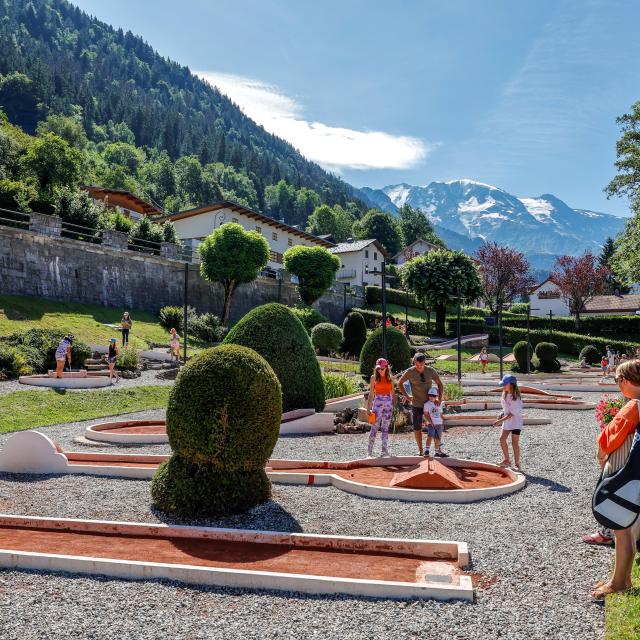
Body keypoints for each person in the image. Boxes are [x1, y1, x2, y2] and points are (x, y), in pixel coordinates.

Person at [591, 359, 640, 599]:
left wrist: (600, 455)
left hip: (623, 472)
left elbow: (607, 440)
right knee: (628, 529)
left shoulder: (633, 407)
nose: (617, 385)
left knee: (622, 530)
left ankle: (620, 582)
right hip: (635, 475)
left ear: (627, 380)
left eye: (618, 380)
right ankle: (621, 577)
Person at [398, 353, 444, 455]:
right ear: (414, 362)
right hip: (417, 404)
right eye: (417, 365)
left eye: (421, 365)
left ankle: (438, 451)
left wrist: (439, 399)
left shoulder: (430, 371)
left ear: (425, 362)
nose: (419, 367)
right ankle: (421, 450)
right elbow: (399, 383)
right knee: (417, 427)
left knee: (436, 425)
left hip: (431, 404)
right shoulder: (410, 371)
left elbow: (440, 384)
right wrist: (406, 395)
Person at [493, 374, 524, 470]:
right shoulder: (504, 393)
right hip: (507, 421)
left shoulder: (516, 398)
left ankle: (517, 464)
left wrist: (499, 421)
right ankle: (506, 460)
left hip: (515, 422)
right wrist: (501, 413)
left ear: (511, 384)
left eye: (505, 384)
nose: (503, 386)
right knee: (502, 439)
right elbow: (506, 409)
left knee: (514, 443)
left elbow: (512, 414)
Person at [366, 358, 395, 457]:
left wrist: (394, 403)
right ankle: (369, 452)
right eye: (379, 369)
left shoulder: (390, 378)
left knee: (385, 428)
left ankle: (384, 451)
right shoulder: (373, 377)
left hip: (388, 404)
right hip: (377, 404)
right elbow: (370, 394)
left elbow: (393, 393)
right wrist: (368, 408)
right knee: (374, 427)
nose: (380, 371)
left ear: (386, 368)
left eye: (382, 369)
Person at [424, 387, 447, 457]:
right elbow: (426, 414)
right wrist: (430, 422)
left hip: (439, 423)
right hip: (431, 424)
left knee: (437, 438)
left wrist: (442, 422)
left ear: (436, 396)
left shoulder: (438, 404)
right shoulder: (427, 404)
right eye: (430, 395)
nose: (431, 397)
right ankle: (427, 450)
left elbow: (440, 414)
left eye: (433, 396)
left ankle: (437, 452)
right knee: (430, 436)